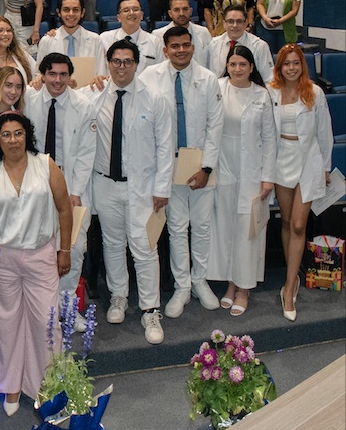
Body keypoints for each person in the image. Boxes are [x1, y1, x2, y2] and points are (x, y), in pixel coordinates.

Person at [0, 112, 73, 416]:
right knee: (5, 322)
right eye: (5, 134)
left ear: (27, 135)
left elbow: (64, 209)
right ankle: (11, 385)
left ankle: (46, 386)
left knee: (46, 321)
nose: (12, 140)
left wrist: (65, 249)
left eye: (18, 133)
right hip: (2, 258)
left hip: (40, 254)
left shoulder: (45, 165)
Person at [90, 39, 175, 343]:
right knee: (112, 243)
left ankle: (150, 309)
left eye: (128, 61)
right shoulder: (95, 96)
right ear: (108, 62)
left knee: (144, 247)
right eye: (116, 61)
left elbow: (167, 147)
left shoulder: (155, 99)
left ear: (137, 64)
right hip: (105, 184)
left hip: (143, 188)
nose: (121, 66)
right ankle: (119, 296)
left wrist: (163, 187)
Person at [139, 26, 224, 316]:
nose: (181, 50)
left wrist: (207, 168)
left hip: (201, 163)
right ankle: (182, 285)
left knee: (201, 227)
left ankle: (200, 280)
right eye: (174, 46)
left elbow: (215, 127)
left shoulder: (209, 79)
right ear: (165, 50)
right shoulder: (149, 77)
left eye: (185, 45)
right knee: (176, 228)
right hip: (168, 164)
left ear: (193, 46)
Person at [207, 46, 276, 316]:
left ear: (251, 67)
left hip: (253, 172)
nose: (237, 69)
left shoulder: (262, 95)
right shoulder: (218, 88)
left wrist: (268, 177)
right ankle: (231, 283)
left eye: (242, 64)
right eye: (232, 64)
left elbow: (270, 138)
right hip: (224, 169)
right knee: (225, 229)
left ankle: (244, 288)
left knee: (248, 232)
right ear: (227, 65)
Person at [268, 44, 333, 322]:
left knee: (298, 224)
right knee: (285, 223)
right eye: (286, 64)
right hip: (281, 159)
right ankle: (291, 278)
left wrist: (326, 168)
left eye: (296, 63)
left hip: (308, 161)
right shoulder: (270, 92)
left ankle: (290, 286)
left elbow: (325, 133)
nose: (291, 68)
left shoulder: (315, 93)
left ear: (302, 65)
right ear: (280, 67)